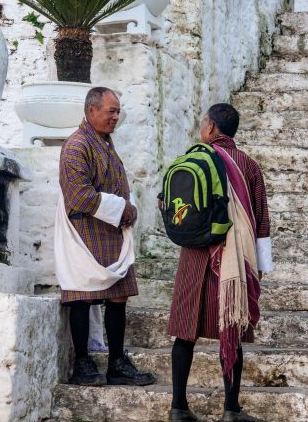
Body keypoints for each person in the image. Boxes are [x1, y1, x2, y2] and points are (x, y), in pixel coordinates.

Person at [166, 103, 273, 422]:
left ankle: (178, 407)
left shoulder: (192, 157)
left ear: (211, 128)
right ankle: (231, 409)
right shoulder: (248, 165)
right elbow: (261, 218)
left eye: (203, 123)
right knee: (232, 327)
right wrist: (259, 268)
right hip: (233, 258)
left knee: (184, 331)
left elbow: (168, 200)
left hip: (194, 254)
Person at [55, 86, 155, 387]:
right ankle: (83, 364)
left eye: (118, 111)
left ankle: (116, 364)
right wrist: (123, 208)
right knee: (82, 295)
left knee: (119, 295)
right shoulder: (76, 146)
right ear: (91, 111)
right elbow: (80, 196)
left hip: (112, 231)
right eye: (111, 110)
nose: (116, 116)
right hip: (84, 233)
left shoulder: (104, 142)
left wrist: (128, 206)